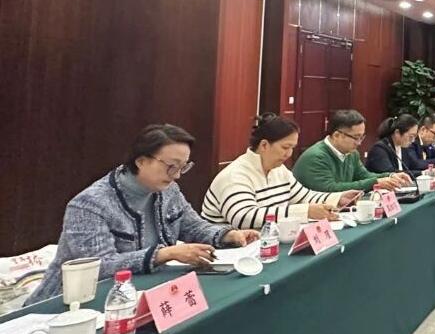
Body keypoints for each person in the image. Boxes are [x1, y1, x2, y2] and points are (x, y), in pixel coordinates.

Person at [26, 124, 259, 305]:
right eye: (171, 166)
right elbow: (101, 267)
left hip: (140, 295)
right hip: (67, 306)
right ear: (141, 161)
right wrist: (164, 254)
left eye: (183, 167)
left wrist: (228, 235)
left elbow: (193, 226)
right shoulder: (90, 204)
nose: (177, 175)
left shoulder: (168, 191)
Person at [203, 114, 359, 228]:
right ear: (264, 145)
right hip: (229, 251)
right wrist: (305, 212)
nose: (289, 154)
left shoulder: (279, 170)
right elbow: (244, 217)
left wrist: (338, 198)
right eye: (285, 147)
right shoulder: (235, 175)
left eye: (292, 148)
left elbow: (304, 196)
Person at [291, 110, 412, 193]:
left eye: (362, 137)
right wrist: (376, 182)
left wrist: (390, 176)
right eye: (355, 137)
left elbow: (364, 175)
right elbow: (330, 189)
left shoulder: (352, 153)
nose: (359, 143)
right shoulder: (316, 156)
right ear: (337, 135)